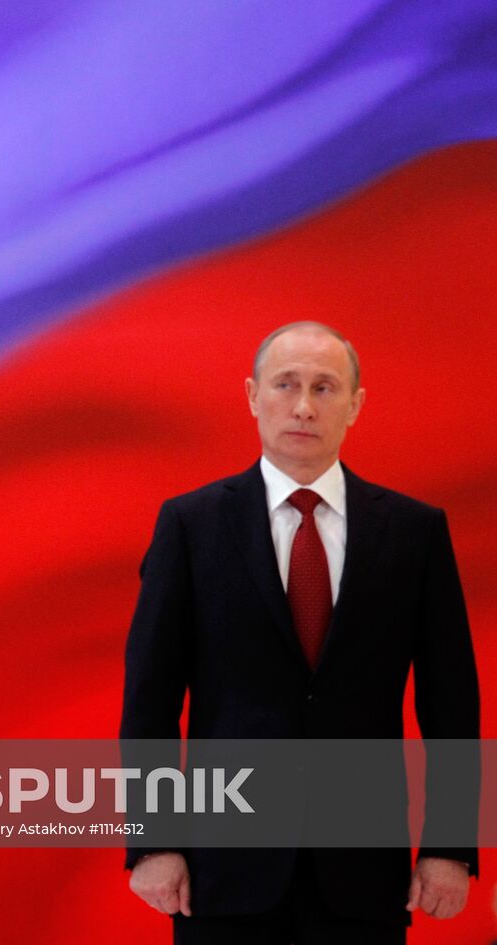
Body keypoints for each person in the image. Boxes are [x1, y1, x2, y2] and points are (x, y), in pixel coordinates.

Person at [120, 322, 478, 943]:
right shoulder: (191, 525)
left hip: (364, 872)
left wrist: (450, 847)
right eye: (286, 384)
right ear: (254, 396)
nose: (304, 405)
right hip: (223, 869)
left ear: (355, 405)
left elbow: (452, 708)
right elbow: (149, 704)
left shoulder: (415, 533)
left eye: (325, 387)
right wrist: (153, 843)